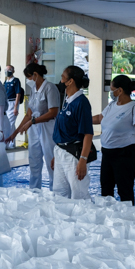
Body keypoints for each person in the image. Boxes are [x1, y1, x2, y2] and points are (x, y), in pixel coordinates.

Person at [92, 75, 135, 204]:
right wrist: (82, 120)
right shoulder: (112, 105)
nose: (111, 93)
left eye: (112, 89)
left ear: (120, 90)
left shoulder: (134, 108)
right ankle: (107, 216)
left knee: (124, 190)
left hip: (125, 154)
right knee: (106, 188)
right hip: (107, 153)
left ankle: (127, 218)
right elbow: (100, 118)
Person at [6, 63, 59, 190]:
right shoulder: (33, 90)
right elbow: (29, 114)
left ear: (35, 74)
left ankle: (56, 191)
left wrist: (32, 122)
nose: (28, 80)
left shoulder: (50, 88)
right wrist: (14, 133)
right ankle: (35, 190)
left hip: (48, 128)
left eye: (29, 77)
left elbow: (53, 112)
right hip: (35, 129)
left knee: (50, 160)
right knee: (34, 161)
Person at [51, 66, 94, 200]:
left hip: (73, 154)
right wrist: (57, 153)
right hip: (61, 151)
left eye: (63, 77)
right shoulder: (66, 99)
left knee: (78, 194)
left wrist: (83, 159)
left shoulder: (82, 103)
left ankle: (82, 220)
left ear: (70, 81)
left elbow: (88, 134)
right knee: (59, 192)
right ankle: (62, 219)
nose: (61, 80)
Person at [4, 65, 23, 148]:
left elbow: (18, 93)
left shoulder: (16, 81)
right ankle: (12, 143)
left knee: (10, 123)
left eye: (9, 70)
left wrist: (15, 107)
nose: (7, 71)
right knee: (10, 123)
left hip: (13, 102)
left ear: (13, 71)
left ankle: (8, 143)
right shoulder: (5, 82)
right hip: (6, 103)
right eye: (6, 70)